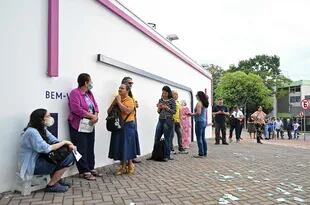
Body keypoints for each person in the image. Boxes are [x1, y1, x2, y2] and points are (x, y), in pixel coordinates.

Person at [18, 109, 76, 192]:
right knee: (69, 157)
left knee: (67, 153)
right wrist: (65, 142)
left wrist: (69, 145)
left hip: (40, 160)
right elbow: (46, 148)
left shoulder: (42, 129)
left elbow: (54, 140)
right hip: (32, 166)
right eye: (48, 116)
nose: (51, 118)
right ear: (40, 119)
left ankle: (56, 179)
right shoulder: (32, 132)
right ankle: (52, 185)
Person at [68, 73, 101, 180]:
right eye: (90, 81)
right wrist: (92, 116)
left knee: (90, 147)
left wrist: (95, 115)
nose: (91, 83)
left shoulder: (89, 93)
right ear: (86, 82)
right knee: (80, 148)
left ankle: (90, 168)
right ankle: (83, 170)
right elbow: (76, 109)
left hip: (89, 124)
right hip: (78, 125)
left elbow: (95, 106)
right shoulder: (75, 93)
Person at [108, 83, 138, 175]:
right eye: (119, 88)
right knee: (120, 146)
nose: (119, 89)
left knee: (126, 146)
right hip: (118, 125)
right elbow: (109, 111)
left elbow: (127, 110)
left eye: (122, 88)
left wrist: (119, 102)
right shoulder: (117, 99)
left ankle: (127, 165)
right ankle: (125, 165)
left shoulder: (130, 100)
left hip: (128, 125)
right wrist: (114, 102)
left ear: (127, 90)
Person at [150, 86, 176, 162]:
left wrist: (167, 108)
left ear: (168, 93)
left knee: (167, 138)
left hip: (168, 120)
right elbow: (158, 112)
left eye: (165, 93)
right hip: (160, 120)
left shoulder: (172, 101)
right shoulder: (160, 100)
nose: (164, 94)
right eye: (163, 92)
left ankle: (167, 156)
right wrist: (159, 107)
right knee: (156, 137)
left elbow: (174, 111)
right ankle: (154, 155)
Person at [121, 77, 141, 163]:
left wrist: (135, 104)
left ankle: (132, 157)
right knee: (127, 140)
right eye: (130, 83)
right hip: (125, 120)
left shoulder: (131, 94)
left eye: (131, 83)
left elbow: (133, 105)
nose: (131, 84)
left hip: (133, 118)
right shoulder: (121, 93)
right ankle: (126, 159)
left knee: (133, 138)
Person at [187, 91, 209, 158]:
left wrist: (191, 114)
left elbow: (198, 113)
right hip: (204, 122)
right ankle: (204, 152)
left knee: (199, 138)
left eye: (196, 95)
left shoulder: (199, 103)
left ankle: (201, 153)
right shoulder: (204, 103)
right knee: (202, 137)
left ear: (199, 96)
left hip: (199, 122)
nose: (196, 96)